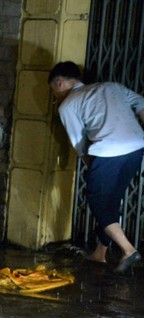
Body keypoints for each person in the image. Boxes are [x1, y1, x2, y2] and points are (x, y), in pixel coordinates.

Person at [48, 61, 144, 273]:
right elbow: (140, 102)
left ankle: (128, 250)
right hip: (137, 147)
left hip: (108, 150)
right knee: (111, 199)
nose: (55, 97)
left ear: (60, 83)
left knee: (98, 200)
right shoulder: (111, 87)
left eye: (54, 91)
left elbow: (80, 144)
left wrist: (93, 168)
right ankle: (100, 252)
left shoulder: (67, 105)